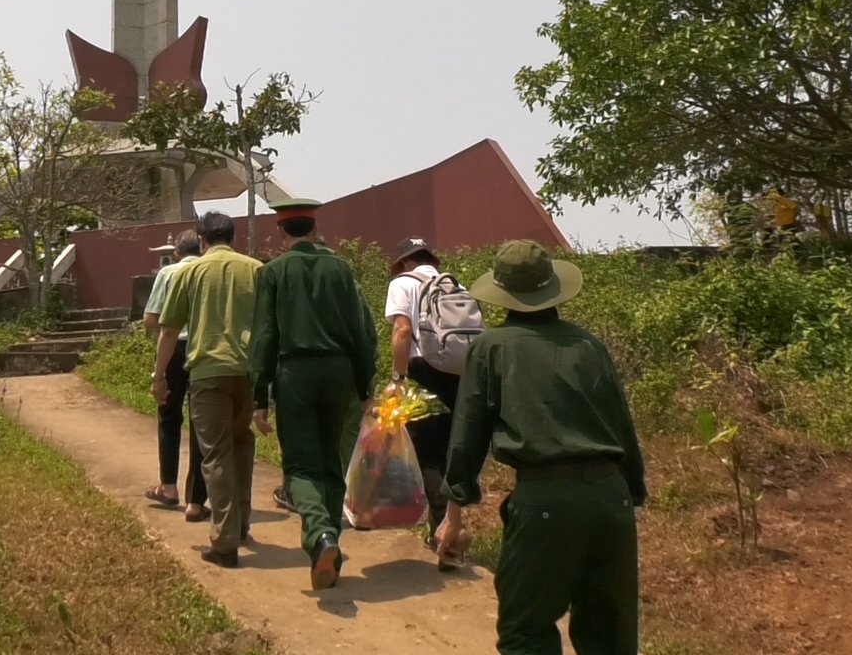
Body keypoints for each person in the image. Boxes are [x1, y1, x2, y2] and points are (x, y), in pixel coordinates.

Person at [438, 240, 648, 655]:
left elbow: (467, 435)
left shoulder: (492, 348)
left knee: (526, 632)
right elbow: (622, 426)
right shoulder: (588, 345)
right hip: (611, 500)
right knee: (610, 638)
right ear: (552, 287)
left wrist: (453, 515)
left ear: (502, 293)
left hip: (546, 501)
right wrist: (631, 492)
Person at [249, 197, 378, 590]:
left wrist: (259, 396)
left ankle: (320, 535)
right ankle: (331, 545)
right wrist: (365, 385)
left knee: (302, 466)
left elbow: (265, 337)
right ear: (315, 228)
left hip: (296, 374)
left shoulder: (272, 273)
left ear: (281, 231)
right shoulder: (341, 269)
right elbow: (361, 332)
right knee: (330, 461)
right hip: (339, 372)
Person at [153, 211, 262, 568]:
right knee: (242, 445)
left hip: (208, 373)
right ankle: (242, 524)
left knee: (214, 455)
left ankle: (225, 541)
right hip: (247, 372)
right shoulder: (256, 269)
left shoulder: (190, 271)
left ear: (201, 239)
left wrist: (159, 376)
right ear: (232, 236)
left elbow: (169, 330)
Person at [384, 236, 469, 569]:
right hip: (460, 374)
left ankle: (444, 535)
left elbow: (403, 331)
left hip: (425, 372)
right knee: (450, 452)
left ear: (404, 262)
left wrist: (397, 379)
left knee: (426, 456)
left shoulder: (402, 284)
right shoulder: (453, 283)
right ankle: (452, 523)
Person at [141, 230, 208, 521]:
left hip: (174, 350)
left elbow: (151, 319)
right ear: (203, 248)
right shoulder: (208, 271)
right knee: (200, 423)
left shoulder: (169, 272)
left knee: (169, 416)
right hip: (205, 350)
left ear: (177, 252)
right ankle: (196, 500)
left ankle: (168, 486)